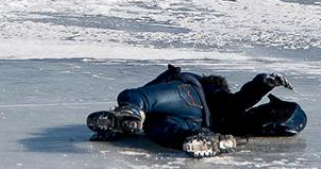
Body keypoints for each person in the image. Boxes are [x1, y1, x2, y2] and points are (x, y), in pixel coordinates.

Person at [87, 64, 307, 158]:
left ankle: (129, 112)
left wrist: (263, 83)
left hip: (188, 100)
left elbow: (241, 99)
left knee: (135, 97)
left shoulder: (204, 87)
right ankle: (198, 140)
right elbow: (242, 101)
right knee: (164, 130)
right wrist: (264, 84)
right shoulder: (227, 115)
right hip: (193, 123)